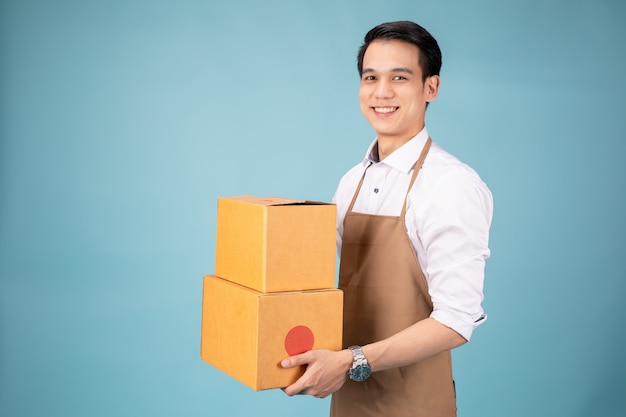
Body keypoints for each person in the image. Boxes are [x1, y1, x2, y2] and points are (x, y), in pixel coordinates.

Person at [281, 20, 493, 417]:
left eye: (399, 77)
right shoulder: (352, 181)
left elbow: (456, 320)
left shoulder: (451, 185)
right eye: (370, 77)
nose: (382, 92)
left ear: (431, 87)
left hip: (415, 404)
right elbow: (314, 279)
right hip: (348, 400)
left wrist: (351, 361)